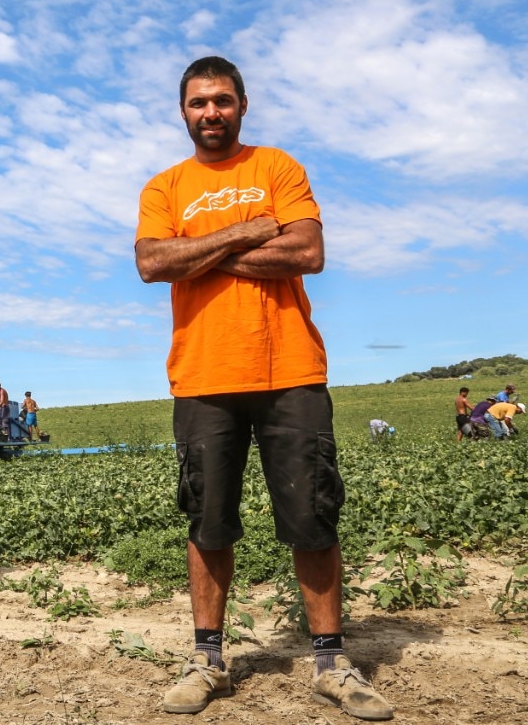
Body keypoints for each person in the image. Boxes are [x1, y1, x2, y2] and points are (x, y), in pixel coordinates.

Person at [134, 56, 392, 720]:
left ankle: (332, 662)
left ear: (242, 105)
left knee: (312, 515)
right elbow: (152, 262)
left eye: (222, 100)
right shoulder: (164, 186)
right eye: (198, 103)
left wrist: (201, 251)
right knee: (208, 519)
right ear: (183, 111)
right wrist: (250, 230)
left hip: (291, 371)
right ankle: (207, 661)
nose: (211, 112)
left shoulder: (277, 167)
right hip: (203, 375)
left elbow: (307, 252)